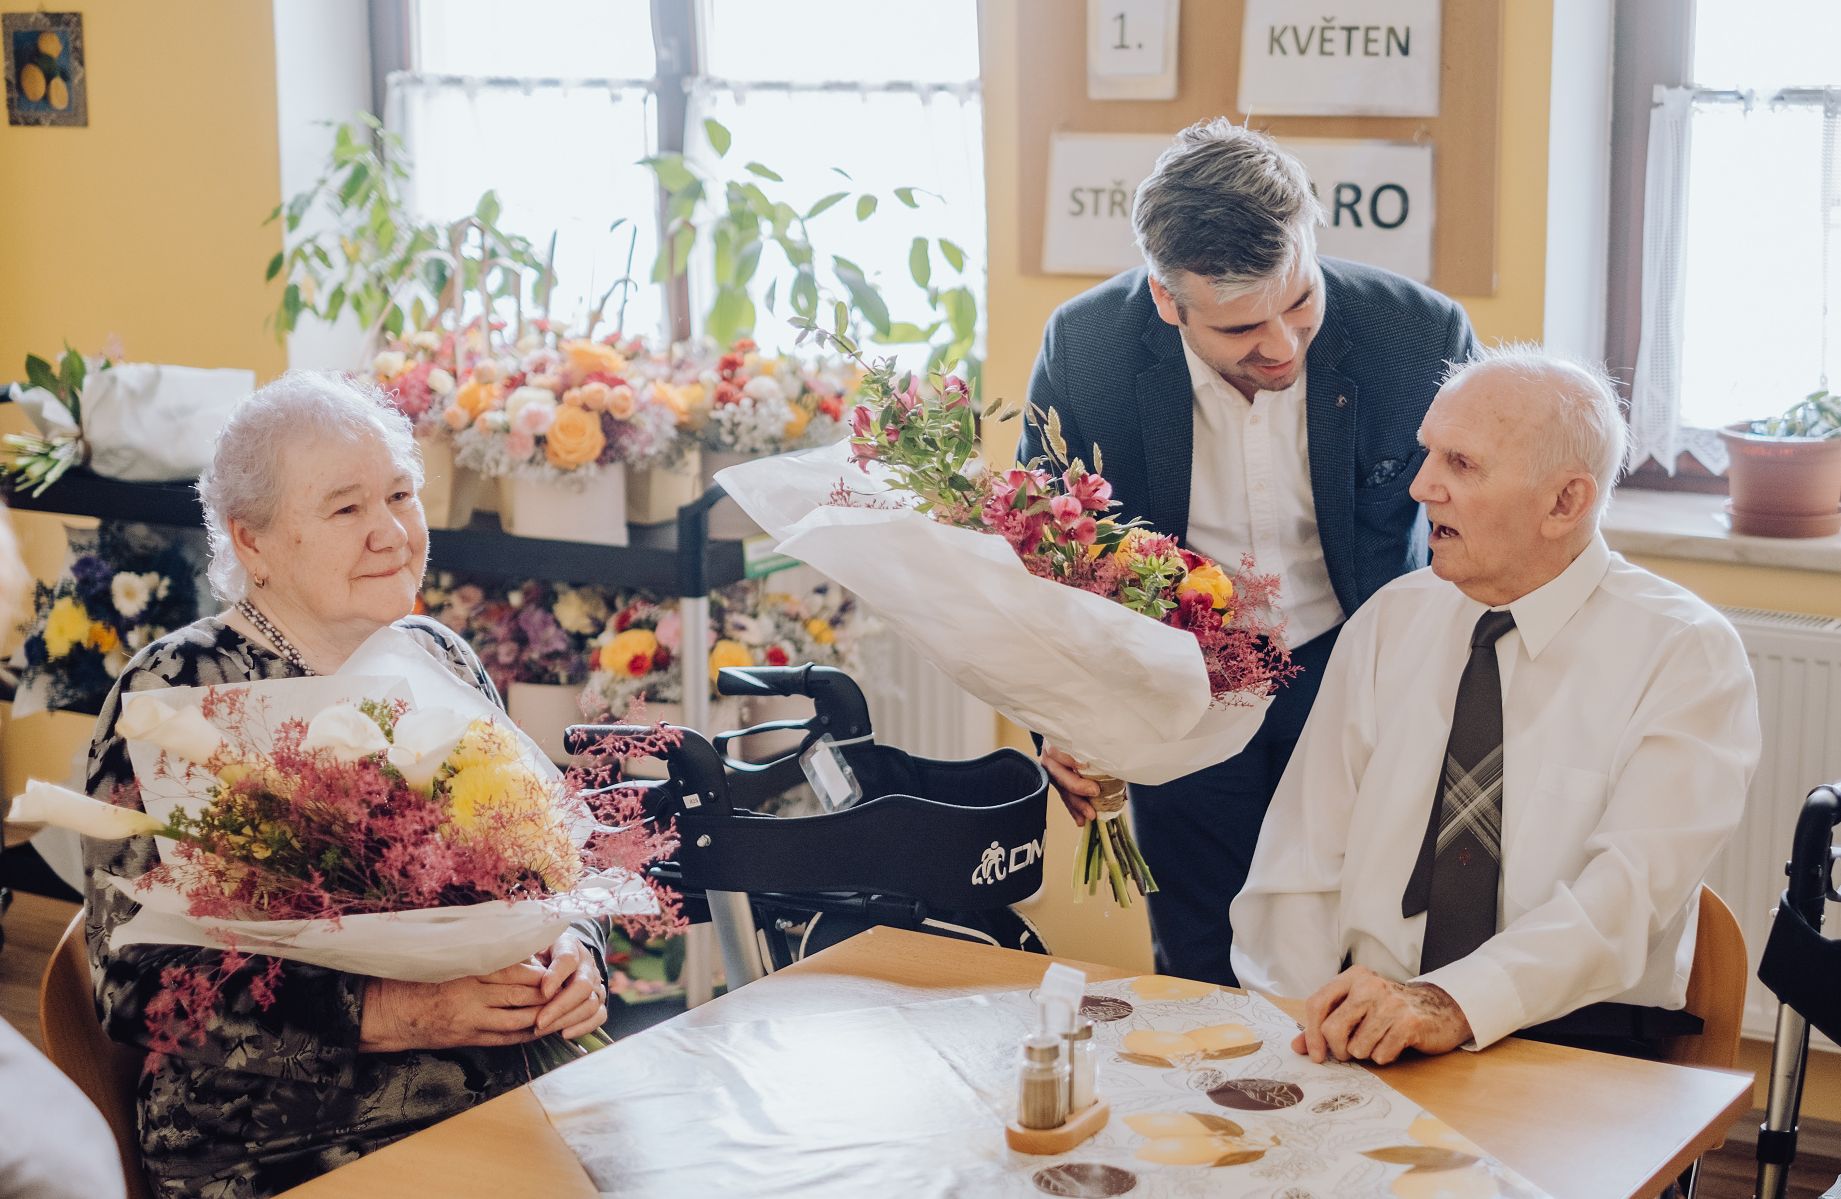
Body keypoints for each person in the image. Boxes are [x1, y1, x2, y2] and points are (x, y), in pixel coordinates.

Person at [82, 372, 612, 1198]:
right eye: (345, 508)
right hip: (281, 1133)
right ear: (251, 540)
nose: (392, 532)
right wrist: (397, 1010)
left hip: (505, 1085)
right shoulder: (173, 694)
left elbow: (547, 870)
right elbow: (136, 985)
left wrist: (574, 952)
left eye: (400, 493)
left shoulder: (439, 656)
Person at [1021, 117, 1477, 984]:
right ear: (1165, 298)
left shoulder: (1417, 336)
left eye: (1299, 301)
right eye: (1239, 330)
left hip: (1364, 677)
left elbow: (1487, 521)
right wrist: (1065, 719)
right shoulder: (1088, 352)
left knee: (1371, 946)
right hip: (1183, 687)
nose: (1279, 345)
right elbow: (1044, 555)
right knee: (1203, 954)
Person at [1229, 347, 1761, 1065]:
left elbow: (1622, 902)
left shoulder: (1685, 652)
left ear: (1564, 502)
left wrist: (1450, 1002)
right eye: (1428, 455)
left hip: (1572, 1036)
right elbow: (1297, 863)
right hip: (1365, 1022)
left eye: (1461, 463)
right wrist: (1303, 1029)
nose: (1421, 486)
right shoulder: (1390, 618)